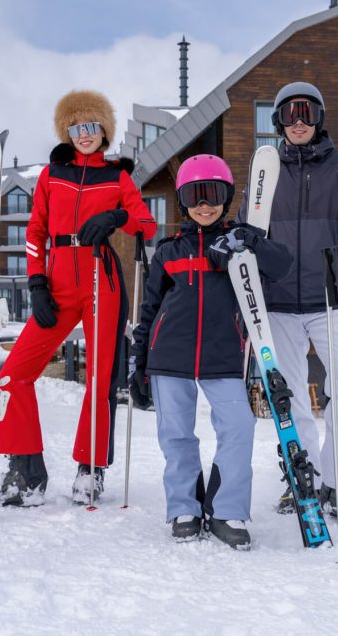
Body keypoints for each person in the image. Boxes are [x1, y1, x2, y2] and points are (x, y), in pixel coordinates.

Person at [236, 81, 338, 526]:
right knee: (287, 395)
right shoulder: (265, 172)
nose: (298, 122)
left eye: (307, 112)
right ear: (278, 121)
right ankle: (302, 474)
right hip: (276, 302)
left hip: (331, 296)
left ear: (320, 117)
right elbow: (247, 228)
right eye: (289, 113)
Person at [0, 89, 158, 507]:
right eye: (76, 127)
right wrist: (36, 284)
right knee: (13, 373)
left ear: (104, 130)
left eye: (92, 126)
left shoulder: (117, 177)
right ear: (67, 132)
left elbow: (147, 224)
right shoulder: (52, 175)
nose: (85, 134)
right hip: (57, 282)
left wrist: (117, 215)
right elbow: (35, 231)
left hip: (103, 281)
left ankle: (90, 469)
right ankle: (26, 473)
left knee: (100, 380)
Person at [129, 154, 290, 550]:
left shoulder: (239, 244)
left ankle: (225, 509)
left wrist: (250, 241)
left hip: (224, 356)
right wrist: (139, 363)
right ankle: (184, 507)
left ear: (226, 197)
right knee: (176, 435)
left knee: (239, 427)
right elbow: (149, 310)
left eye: (213, 194)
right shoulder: (168, 252)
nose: (204, 204)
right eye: (194, 196)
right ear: (183, 201)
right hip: (170, 357)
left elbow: (282, 266)